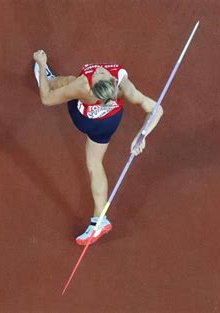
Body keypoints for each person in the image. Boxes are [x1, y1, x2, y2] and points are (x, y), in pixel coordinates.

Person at [33, 49, 163, 245]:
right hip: (108, 123)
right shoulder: (124, 86)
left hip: (84, 120)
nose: (99, 70)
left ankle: (48, 76)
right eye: (99, 73)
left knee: (67, 80)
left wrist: (41, 65)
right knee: (95, 163)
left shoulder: (84, 85)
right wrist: (142, 134)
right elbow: (156, 109)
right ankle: (99, 221)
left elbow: (46, 98)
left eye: (99, 74)